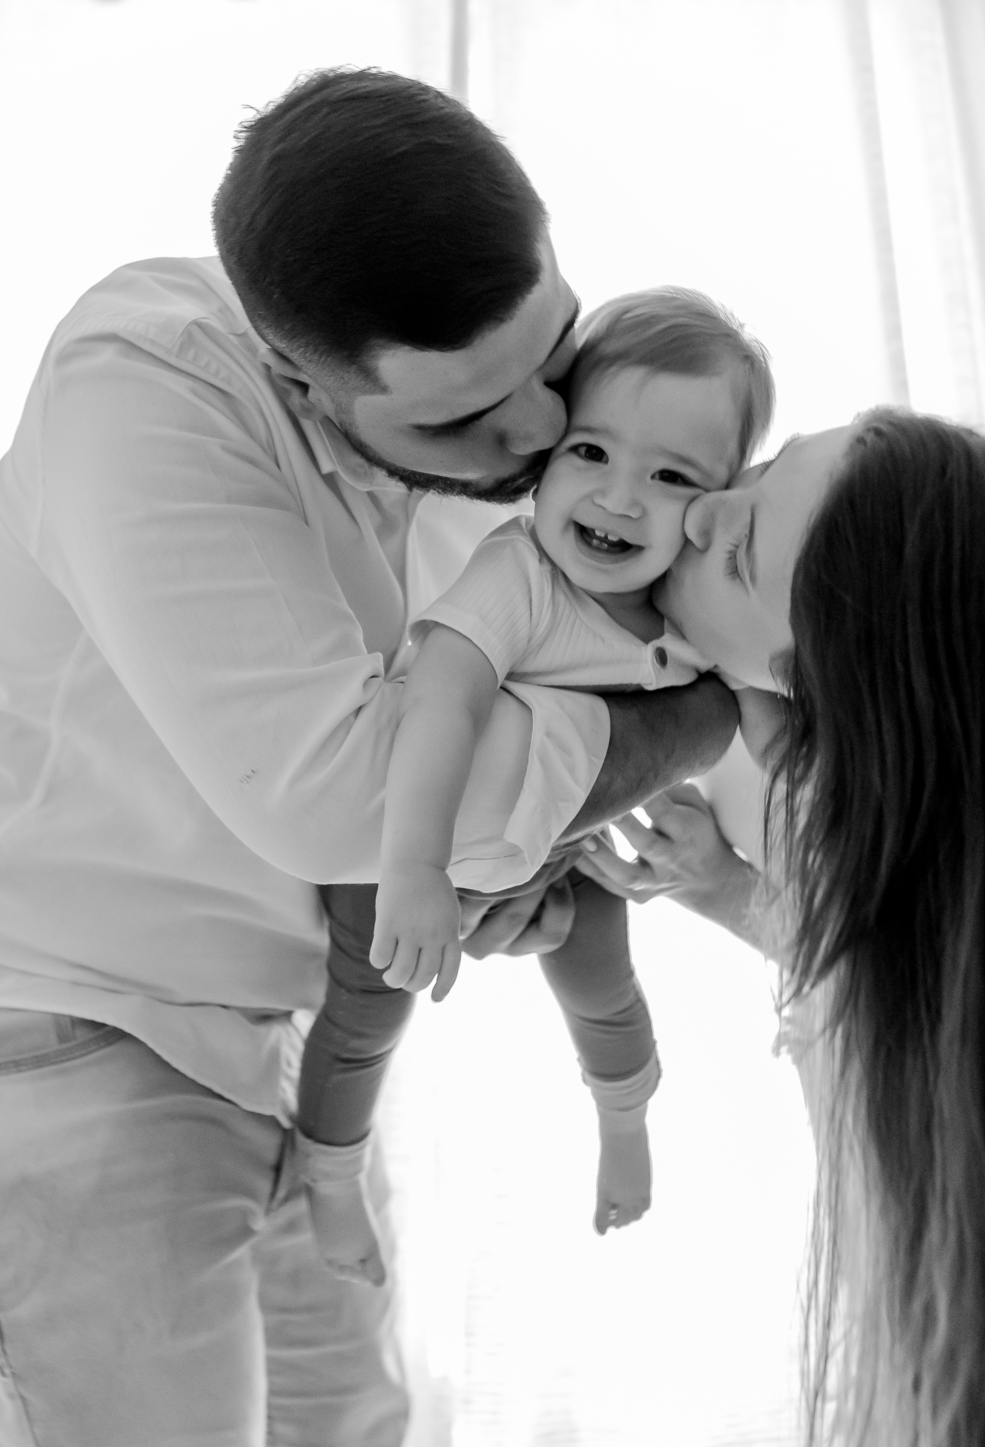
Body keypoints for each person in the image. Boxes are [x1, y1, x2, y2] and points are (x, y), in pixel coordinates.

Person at [0, 69, 739, 1447]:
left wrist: (517, 846)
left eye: (547, 355)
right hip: (76, 1046)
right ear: (298, 378)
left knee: (359, 1428)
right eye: (460, 420)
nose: (532, 444)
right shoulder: (143, 387)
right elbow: (349, 791)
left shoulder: (511, 437)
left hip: (282, 1044)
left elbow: (487, 744)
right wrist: (703, 721)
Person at [582, 409, 985, 1447]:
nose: (698, 516)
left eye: (736, 551)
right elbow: (883, 979)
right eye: (764, 472)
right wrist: (723, 886)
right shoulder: (934, 862)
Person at [292, 288, 775, 1280]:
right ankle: (330, 1183)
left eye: (671, 474)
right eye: (590, 453)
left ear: (718, 503)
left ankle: (628, 1124)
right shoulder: (520, 576)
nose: (618, 496)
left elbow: (749, 714)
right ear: (547, 457)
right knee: (365, 1016)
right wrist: (415, 867)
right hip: (407, 848)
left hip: (564, 851)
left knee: (607, 989)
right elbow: (442, 702)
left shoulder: (689, 611)